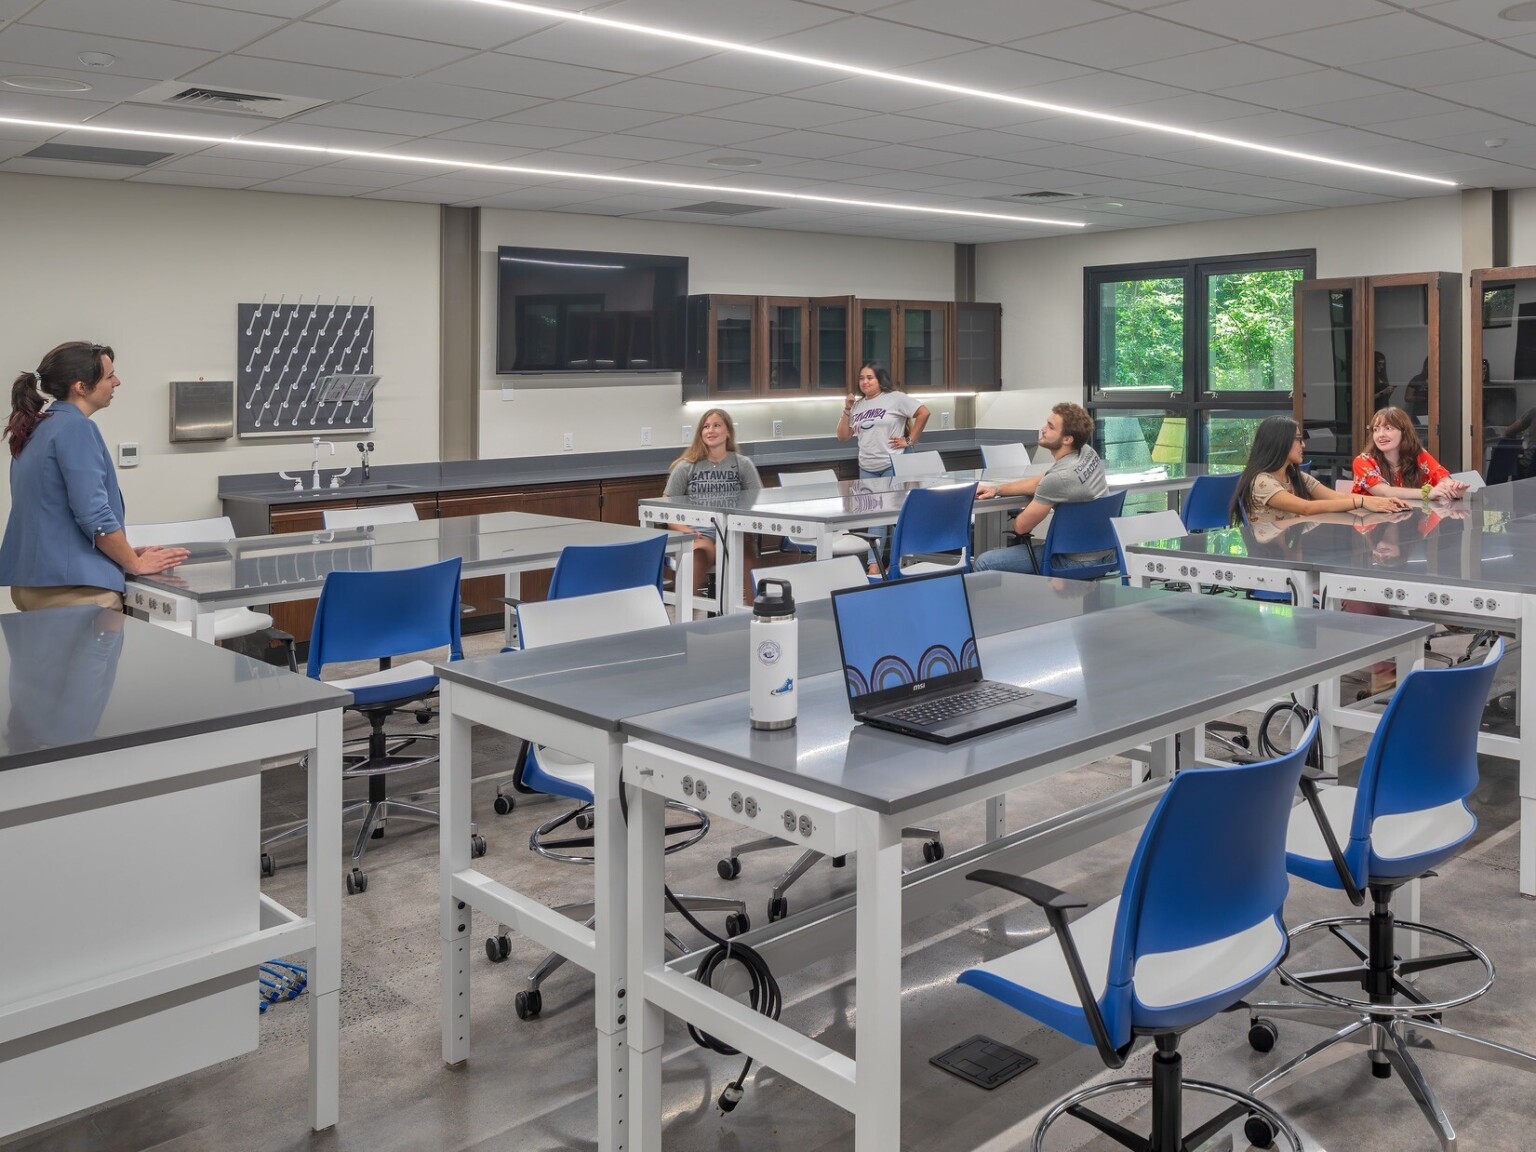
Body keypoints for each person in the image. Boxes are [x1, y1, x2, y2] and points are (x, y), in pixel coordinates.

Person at [0, 343, 187, 612]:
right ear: (81, 387)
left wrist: (122, 553)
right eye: (109, 376)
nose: (117, 382)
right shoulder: (77, 428)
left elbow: (52, 515)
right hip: (75, 593)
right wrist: (135, 564)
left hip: (33, 585)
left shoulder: (37, 428)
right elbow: (94, 515)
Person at [972, 402, 1109, 575]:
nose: (1043, 429)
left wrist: (1023, 511)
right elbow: (1044, 482)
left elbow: (1021, 527)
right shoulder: (1088, 453)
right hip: (1105, 553)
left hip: (1073, 560)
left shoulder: (1059, 479)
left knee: (984, 562)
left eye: (1051, 427)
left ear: (1067, 439)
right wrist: (997, 489)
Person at [1231, 415, 1408, 527]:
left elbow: (1336, 496)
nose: (1303, 445)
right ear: (1280, 443)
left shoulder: (1296, 476)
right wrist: (1361, 502)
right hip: (1270, 559)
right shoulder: (1262, 482)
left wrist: (1380, 501)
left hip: (1290, 546)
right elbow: (1307, 508)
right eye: (1298, 440)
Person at [664, 407, 761, 596]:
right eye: (706, 427)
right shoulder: (686, 467)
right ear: (701, 433)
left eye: (717, 425)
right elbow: (666, 508)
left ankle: (753, 618)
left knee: (748, 563)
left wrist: (749, 528)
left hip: (734, 531)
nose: (711, 430)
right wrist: (686, 530)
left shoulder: (743, 464)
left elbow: (758, 501)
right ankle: (687, 620)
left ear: (728, 432)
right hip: (700, 534)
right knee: (695, 560)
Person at [836, 361, 929, 479]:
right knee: (869, 497)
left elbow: (924, 413)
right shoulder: (857, 406)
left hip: (892, 465)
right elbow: (842, 437)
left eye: (870, 378)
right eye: (861, 378)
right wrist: (848, 408)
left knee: (893, 498)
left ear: (880, 380)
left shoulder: (895, 398)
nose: (865, 382)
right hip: (866, 468)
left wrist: (909, 440)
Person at [1352, 406, 1466, 502]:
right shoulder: (1363, 461)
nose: (1381, 434)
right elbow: (1385, 492)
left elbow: (1441, 477)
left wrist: (1453, 488)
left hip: (1410, 518)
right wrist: (1427, 493)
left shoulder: (1418, 454)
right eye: (1376, 430)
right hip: (1373, 522)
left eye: (1388, 428)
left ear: (1404, 432)